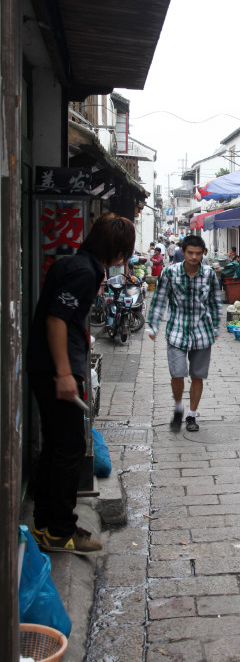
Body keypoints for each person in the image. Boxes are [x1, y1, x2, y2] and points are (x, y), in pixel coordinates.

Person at [26, 213, 135, 553]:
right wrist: (63, 373)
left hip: (51, 365)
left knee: (58, 446)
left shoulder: (78, 264)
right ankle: (59, 529)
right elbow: (57, 319)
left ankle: (46, 524)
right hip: (54, 370)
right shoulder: (84, 272)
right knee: (70, 447)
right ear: (116, 248)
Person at [147, 234, 222, 432]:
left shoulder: (209, 274)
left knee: (197, 376)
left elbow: (215, 303)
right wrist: (153, 325)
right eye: (190, 253)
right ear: (183, 251)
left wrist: (215, 328)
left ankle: (191, 415)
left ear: (203, 253)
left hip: (202, 332)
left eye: (198, 253)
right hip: (176, 332)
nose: (194, 257)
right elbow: (159, 300)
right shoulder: (170, 273)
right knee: (177, 374)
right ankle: (178, 406)